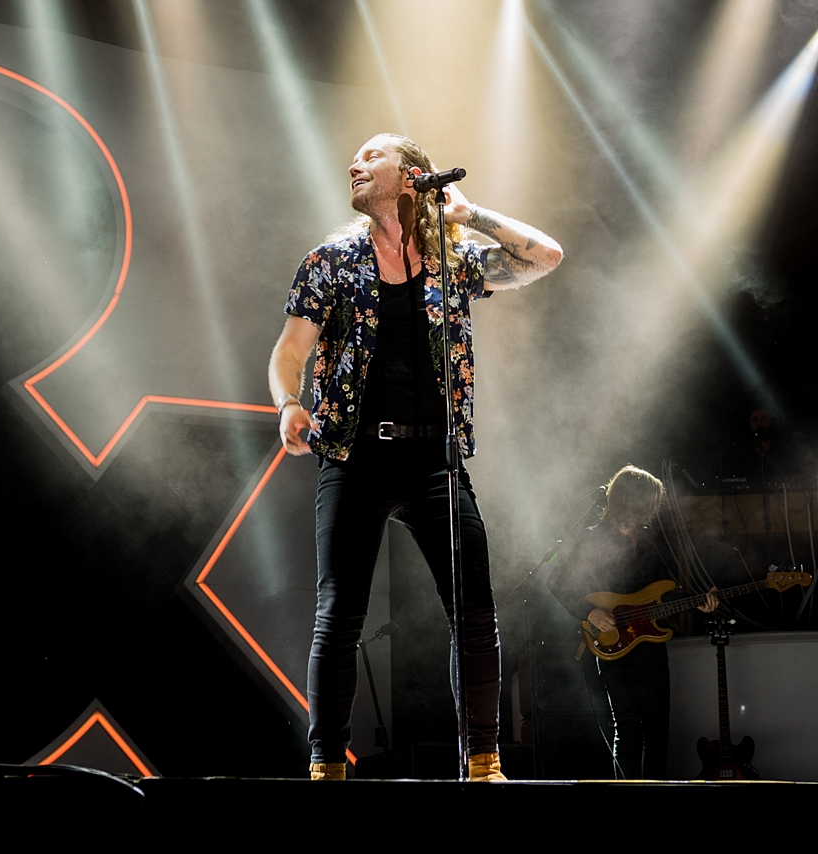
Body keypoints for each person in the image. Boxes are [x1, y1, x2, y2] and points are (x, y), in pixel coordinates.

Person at [267, 133, 564, 781]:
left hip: (435, 460)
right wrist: (289, 402)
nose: (354, 163)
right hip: (355, 458)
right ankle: (326, 767)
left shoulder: (452, 261)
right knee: (339, 616)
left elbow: (546, 255)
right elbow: (289, 350)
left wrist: (471, 214)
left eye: (371, 155)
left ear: (412, 177)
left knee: (475, 613)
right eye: (355, 156)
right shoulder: (331, 262)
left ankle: (483, 763)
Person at [547, 465, 718, 779]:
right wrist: (588, 613)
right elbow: (556, 580)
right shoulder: (592, 538)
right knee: (627, 728)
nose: (652, 508)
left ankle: (655, 793)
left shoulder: (651, 540)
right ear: (628, 498)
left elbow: (663, 592)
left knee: (658, 727)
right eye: (648, 500)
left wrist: (697, 602)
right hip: (613, 641)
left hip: (650, 643)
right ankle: (626, 796)